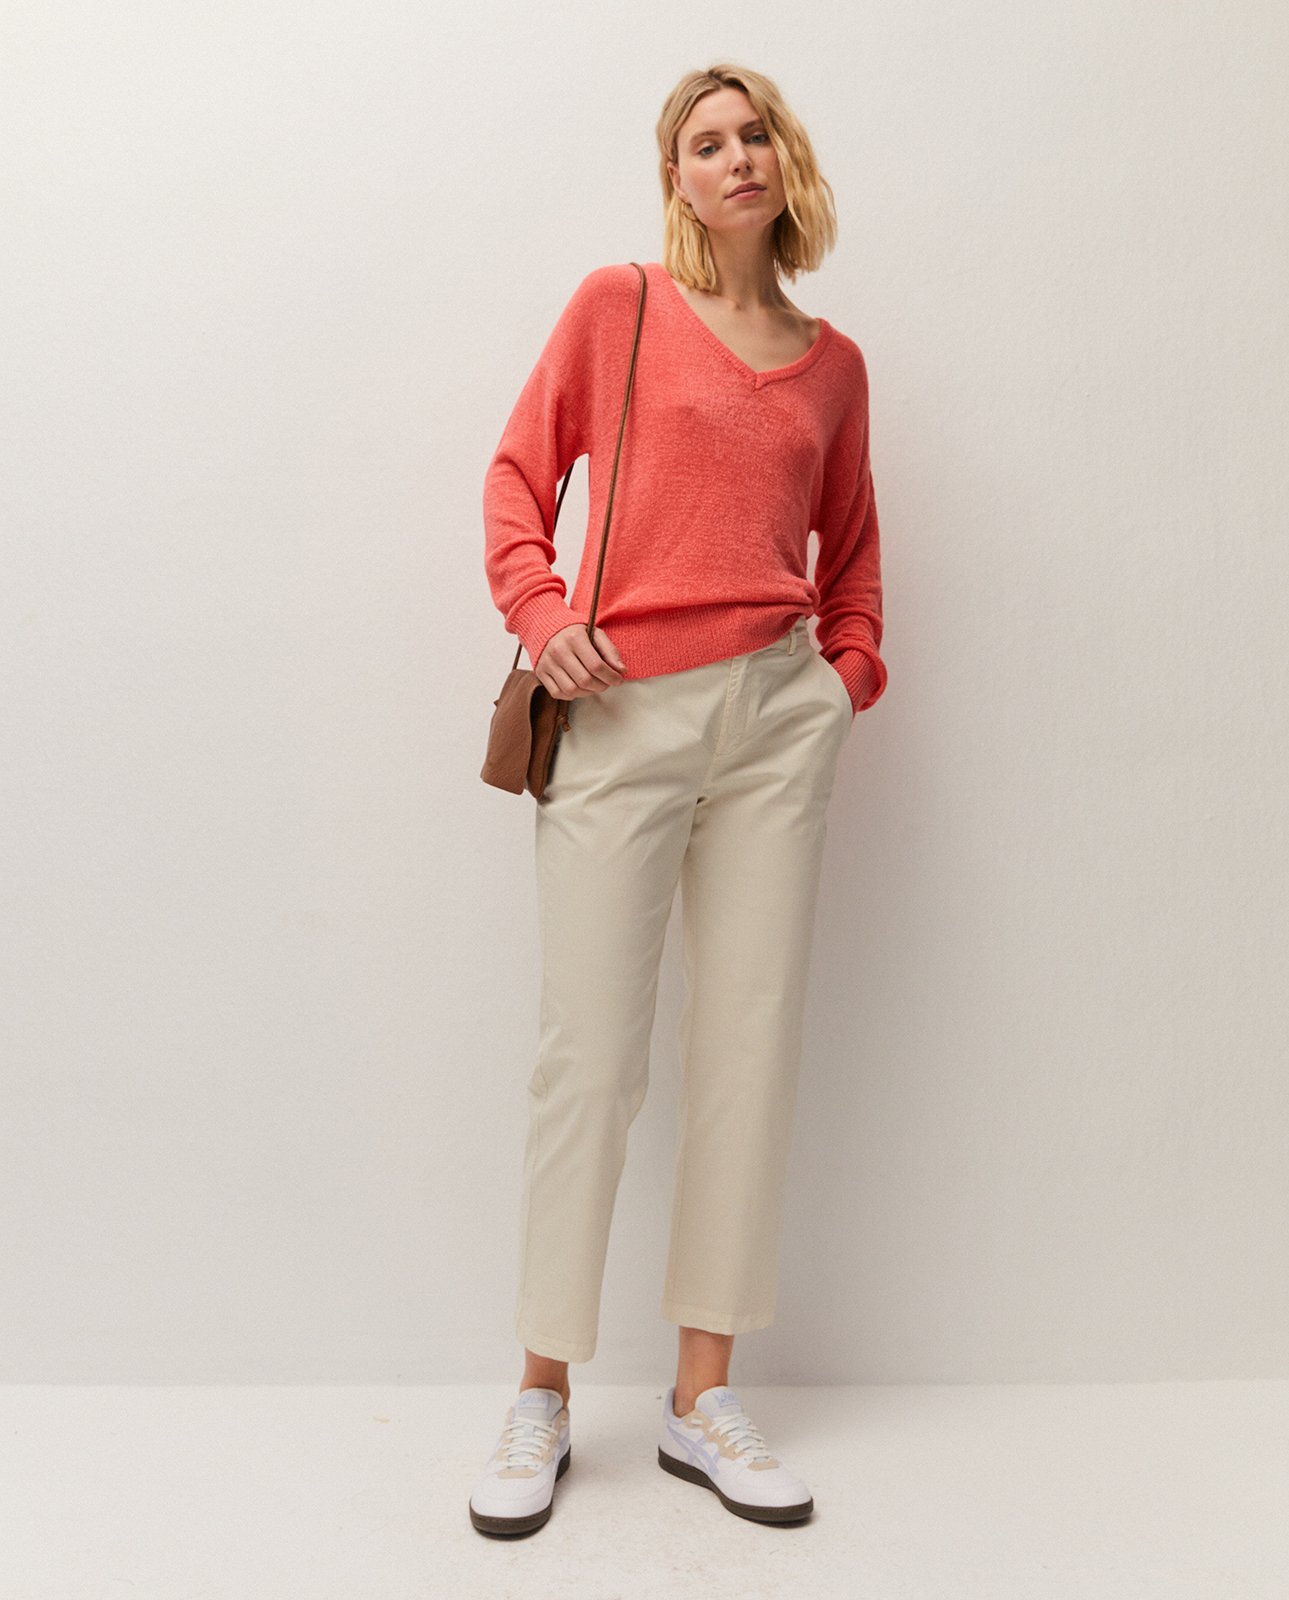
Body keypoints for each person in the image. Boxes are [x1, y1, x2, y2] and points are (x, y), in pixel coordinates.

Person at [470, 62, 887, 1537]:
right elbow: (516, 479)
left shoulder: (832, 365)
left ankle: (701, 1397)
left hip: (777, 718)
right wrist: (541, 615)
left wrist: (844, 679)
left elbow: (851, 555)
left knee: (748, 1046)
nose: (735, 156)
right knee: (589, 1056)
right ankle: (542, 1392)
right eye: (704, 143)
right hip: (624, 713)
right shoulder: (621, 309)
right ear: (677, 180)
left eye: (754, 132)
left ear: (786, 158)